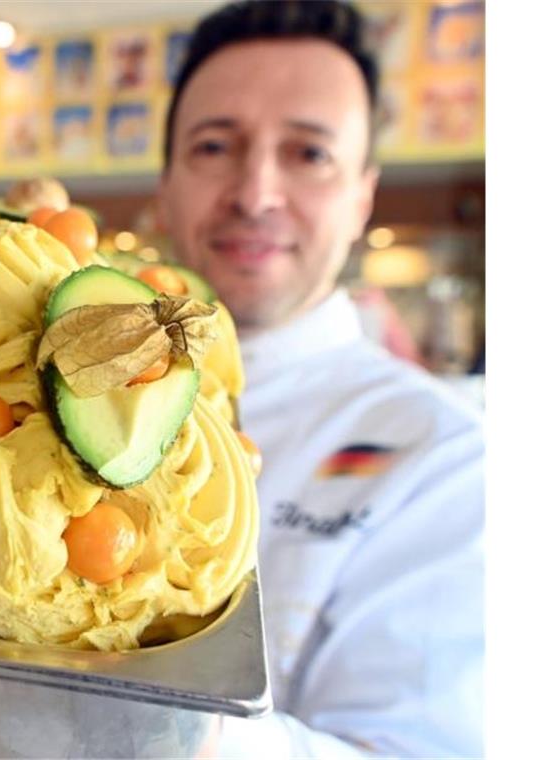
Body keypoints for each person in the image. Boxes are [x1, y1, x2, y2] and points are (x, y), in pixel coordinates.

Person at [154, 2, 483, 757]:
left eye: (309, 154)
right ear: (166, 182)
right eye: (213, 146)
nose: (256, 193)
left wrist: (122, 723)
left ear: (362, 197)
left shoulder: (445, 456)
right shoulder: (43, 401)